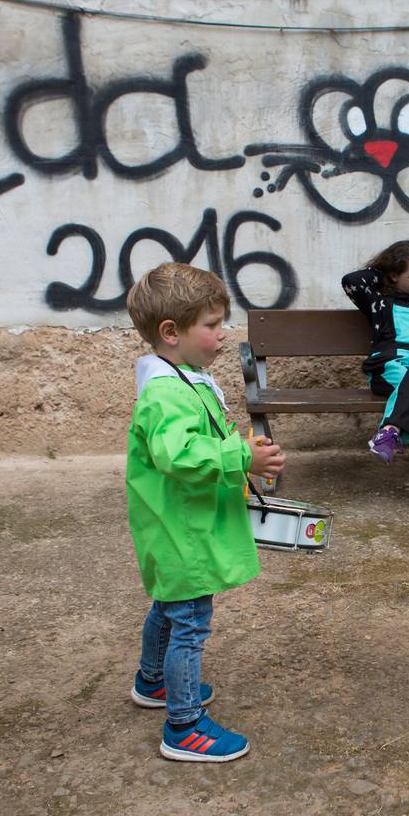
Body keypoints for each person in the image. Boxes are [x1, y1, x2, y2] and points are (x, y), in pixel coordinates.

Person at [124, 262, 285, 763]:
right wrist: (241, 457)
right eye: (212, 326)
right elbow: (179, 455)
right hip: (183, 532)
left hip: (178, 527)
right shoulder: (167, 392)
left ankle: (152, 681)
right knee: (190, 621)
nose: (222, 335)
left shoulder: (183, 378)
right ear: (171, 333)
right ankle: (184, 725)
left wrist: (244, 459)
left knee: (169, 607)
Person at [342, 240, 409, 516]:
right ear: (394, 275)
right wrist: (385, 272)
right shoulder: (379, 300)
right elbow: (351, 281)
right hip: (390, 367)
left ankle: (390, 430)